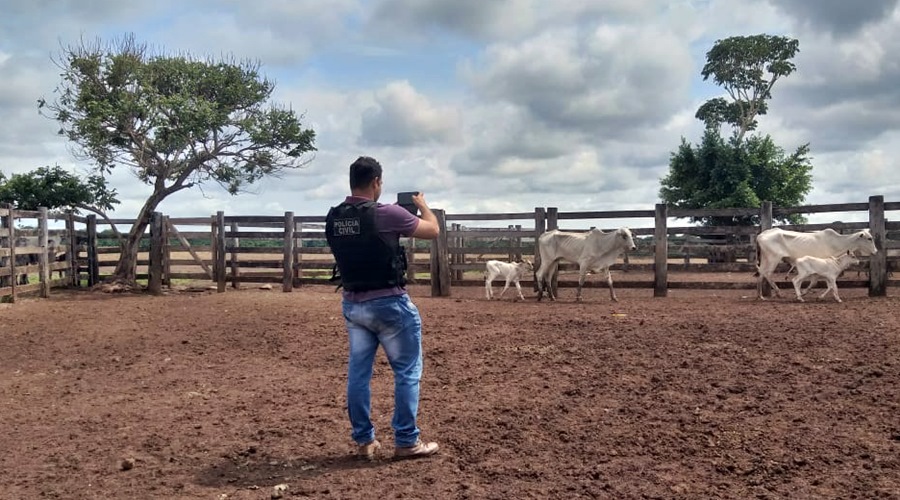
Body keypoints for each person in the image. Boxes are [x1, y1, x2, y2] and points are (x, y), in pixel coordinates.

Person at [325, 156, 441, 460]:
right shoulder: (387, 213)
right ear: (376, 182)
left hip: (353, 303)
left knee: (358, 373)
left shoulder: (333, 217)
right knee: (407, 371)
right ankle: (406, 440)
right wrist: (422, 204)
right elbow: (432, 230)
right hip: (390, 304)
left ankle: (365, 440)